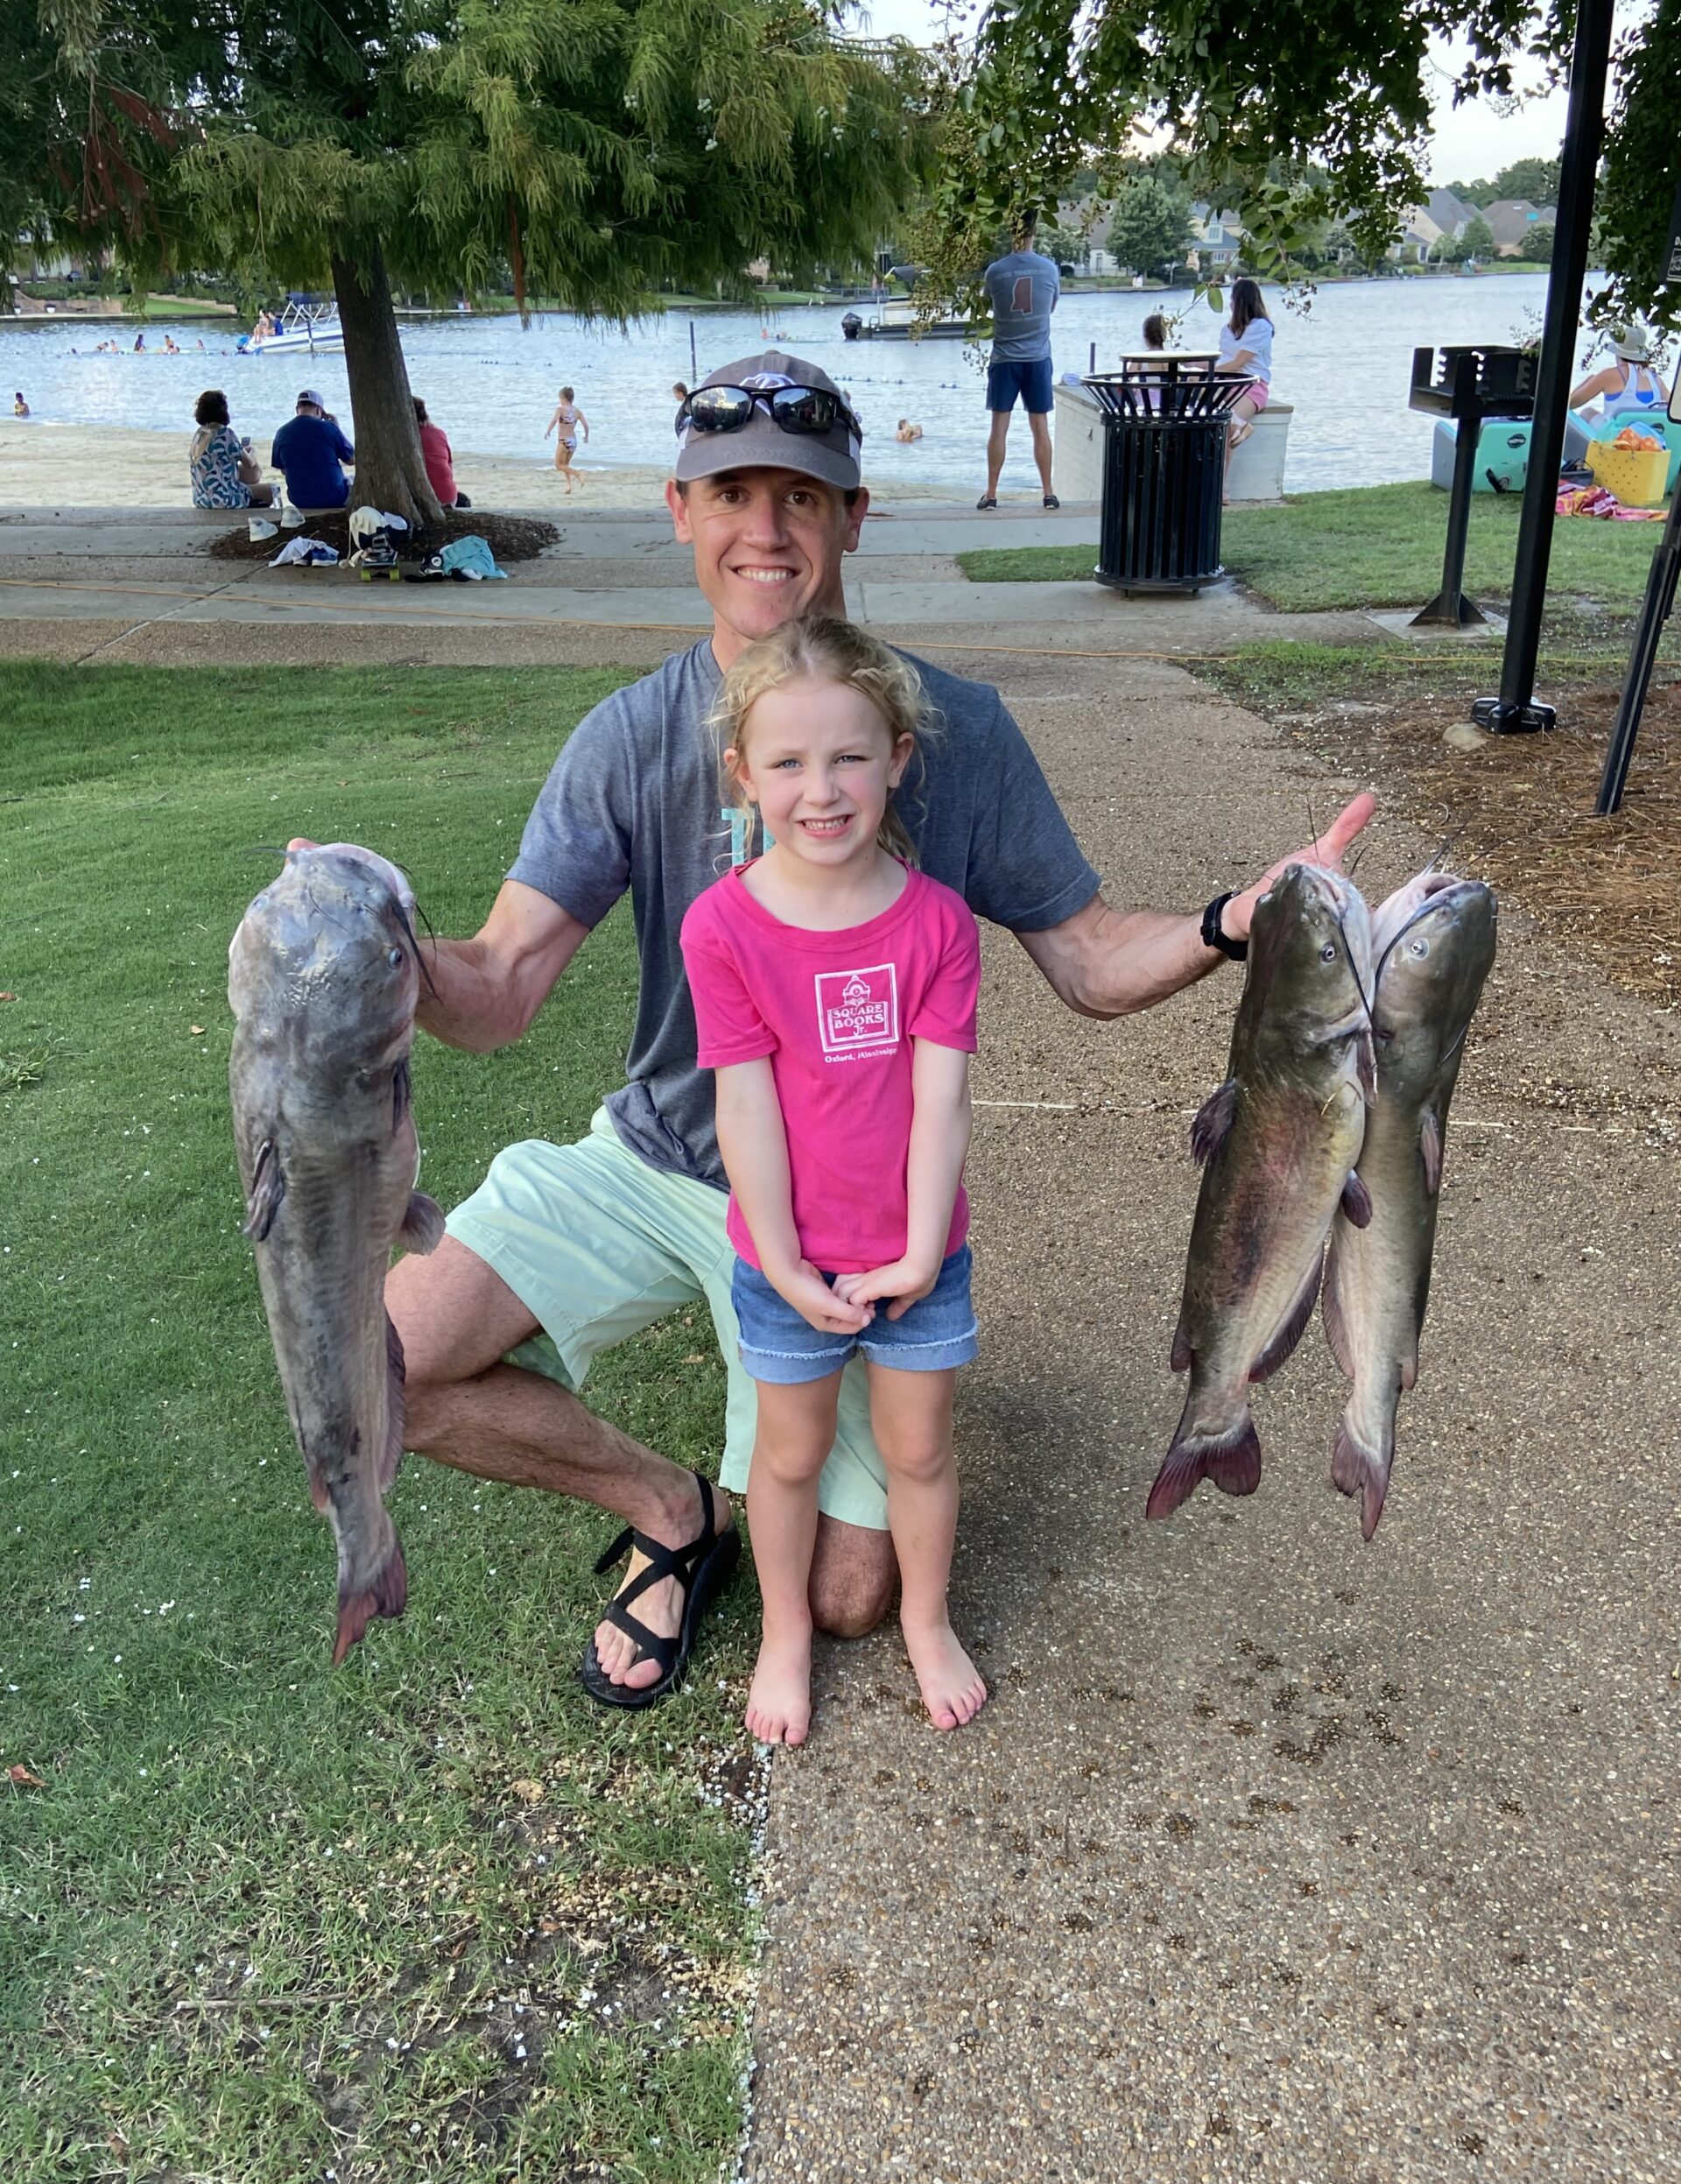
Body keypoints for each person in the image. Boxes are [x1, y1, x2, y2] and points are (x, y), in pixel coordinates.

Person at [351, 347, 1369, 1715]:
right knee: (376, 1369)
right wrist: (373, 952)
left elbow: (1086, 959)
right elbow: (500, 987)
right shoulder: (630, 736)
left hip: (854, 1207)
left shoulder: (958, 733)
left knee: (847, 1603)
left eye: (801, 498)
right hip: (656, 1159)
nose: (764, 531)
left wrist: (1233, 920)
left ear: (851, 519)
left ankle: (804, 1429)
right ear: (679, 512)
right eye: (733, 495)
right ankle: (672, 1509)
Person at [681, 616, 988, 1747]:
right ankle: (783, 1636)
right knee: (790, 1455)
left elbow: (943, 1100)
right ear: (744, 777)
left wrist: (916, 1253)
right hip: (786, 1263)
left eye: (851, 756)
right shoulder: (720, 928)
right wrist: (790, 1261)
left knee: (920, 1449)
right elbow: (746, 1105)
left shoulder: (940, 927)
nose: (824, 788)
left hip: (919, 1255)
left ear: (899, 757)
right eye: (791, 762)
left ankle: (927, 1620)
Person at [976, 208, 1060, 511]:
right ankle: (1048, 492)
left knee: (999, 426)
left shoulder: (995, 271)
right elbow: (1050, 307)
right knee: (1040, 425)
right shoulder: (1049, 269)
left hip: (1004, 358)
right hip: (1037, 358)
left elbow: (991, 305)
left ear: (1010, 233)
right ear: (1034, 233)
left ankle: (992, 493)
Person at [1214, 278, 1275, 454]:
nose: (1231, 304)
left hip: (1251, 385)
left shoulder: (1260, 327)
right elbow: (1224, 360)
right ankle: (1241, 425)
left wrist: (1210, 373)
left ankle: (1223, 481)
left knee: (1226, 429)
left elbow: (1240, 362)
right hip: (1227, 383)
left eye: (1233, 299)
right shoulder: (1227, 330)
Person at [188, 389, 276, 509]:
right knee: (272, 489)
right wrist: (252, 451)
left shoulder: (199, 434)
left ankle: (248, 500)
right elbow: (249, 462)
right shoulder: (225, 434)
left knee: (254, 472)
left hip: (201, 498)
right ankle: (245, 503)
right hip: (222, 499)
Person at [271, 386, 355, 510]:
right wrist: (336, 427)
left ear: (296, 409)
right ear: (319, 410)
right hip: (336, 496)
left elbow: (283, 470)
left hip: (299, 499)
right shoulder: (329, 428)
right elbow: (351, 460)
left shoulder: (281, 433)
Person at [1570, 325, 1664, 419]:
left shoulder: (1610, 375)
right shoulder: (1654, 377)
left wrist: (1590, 380)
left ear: (1617, 353)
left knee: (1587, 412)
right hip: (1648, 430)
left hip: (1618, 432)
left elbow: (1572, 402)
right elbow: (1670, 405)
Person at [413, 397, 470, 508]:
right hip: (449, 496)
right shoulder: (439, 433)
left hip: (429, 499)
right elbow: (449, 466)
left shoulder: (407, 438)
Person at [545, 386, 589, 492]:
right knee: (565, 465)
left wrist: (548, 431)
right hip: (573, 442)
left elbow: (554, 421)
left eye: (560, 399)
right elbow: (586, 425)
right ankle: (569, 486)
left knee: (558, 465)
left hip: (564, 440)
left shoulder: (560, 409)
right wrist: (586, 436)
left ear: (563, 398)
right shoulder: (578, 411)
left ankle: (578, 474)